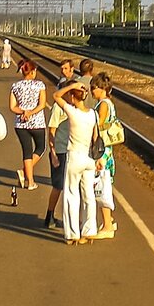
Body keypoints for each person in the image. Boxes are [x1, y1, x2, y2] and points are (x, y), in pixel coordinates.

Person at [51, 81, 100, 244]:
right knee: (89, 195)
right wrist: (98, 159)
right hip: (89, 158)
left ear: (72, 97)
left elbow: (56, 95)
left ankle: (72, 234)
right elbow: (95, 138)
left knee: (72, 195)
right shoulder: (93, 114)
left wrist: (72, 86)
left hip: (75, 156)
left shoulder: (72, 112)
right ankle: (90, 230)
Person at [41, 59, 79, 229]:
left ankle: (67, 218)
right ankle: (49, 215)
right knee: (58, 186)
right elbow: (51, 131)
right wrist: (53, 153)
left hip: (73, 151)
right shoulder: (58, 108)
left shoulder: (76, 107)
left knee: (71, 187)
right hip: (61, 151)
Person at [8, 59, 47, 191]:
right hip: (37, 123)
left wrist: (23, 112)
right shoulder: (40, 85)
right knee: (40, 148)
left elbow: (12, 107)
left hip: (20, 124)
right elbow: (42, 104)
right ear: (33, 71)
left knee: (27, 151)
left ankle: (30, 182)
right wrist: (30, 113)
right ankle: (23, 172)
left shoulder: (15, 86)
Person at [91, 73, 119, 238]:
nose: (92, 91)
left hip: (102, 151)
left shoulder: (103, 105)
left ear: (102, 89)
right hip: (107, 149)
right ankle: (108, 221)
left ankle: (107, 226)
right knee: (104, 185)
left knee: (102, 187)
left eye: (94, 88)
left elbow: (98, 124)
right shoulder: (109, 103)